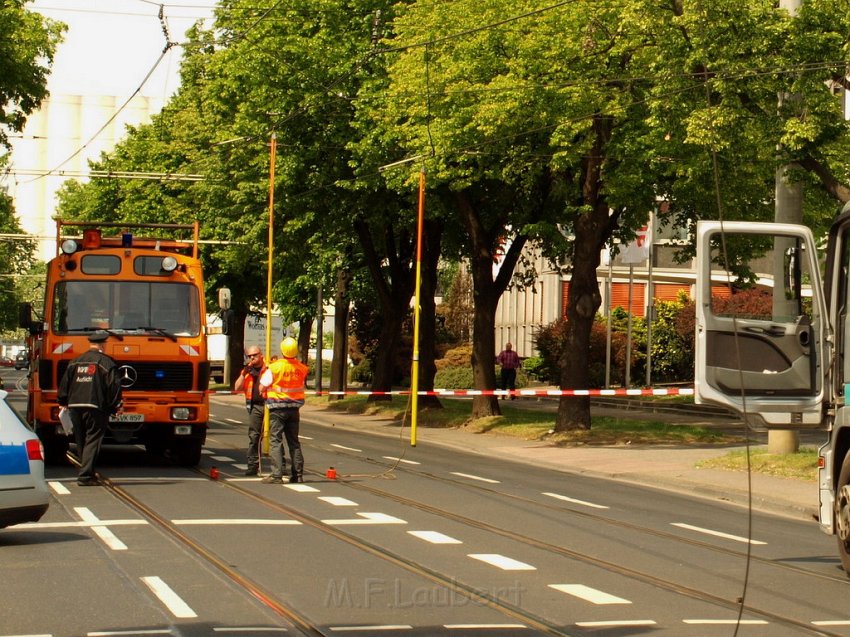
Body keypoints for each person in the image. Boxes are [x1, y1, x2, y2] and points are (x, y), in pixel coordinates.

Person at [57, 331, 123, 485]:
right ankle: (86, 476)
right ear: (103, 345)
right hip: (95, 406)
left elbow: (64, 383)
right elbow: (114, 386)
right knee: (93, 439)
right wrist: (115, 406)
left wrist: (62, 401)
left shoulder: (75, 361)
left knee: (81, 440)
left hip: (75, 406)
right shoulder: (106, 363)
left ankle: (87, 471)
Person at [259, 337, 309, 484]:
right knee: (294, 442)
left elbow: (262, 386)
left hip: (277, 408)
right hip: (294, 409)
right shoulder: (301, 368)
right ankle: (297, 475)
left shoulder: (274, 367)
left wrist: (264, 392)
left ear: (282, 350)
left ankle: (276, 475)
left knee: (275, 441)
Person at [233, 346, 267, 476]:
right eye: (249, 356)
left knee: (275, 436)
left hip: (269, 405)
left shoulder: (268, 369)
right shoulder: (247, 371)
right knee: (254, 436)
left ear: (261, 355)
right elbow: (237, 387)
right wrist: (243, 373)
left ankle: (280, 466)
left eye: (255, 355)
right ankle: (253, 465)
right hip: (255, 406)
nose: (252, 358)